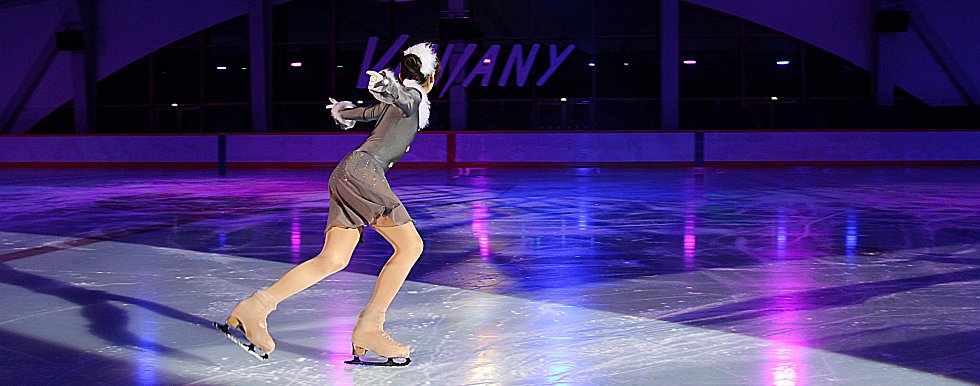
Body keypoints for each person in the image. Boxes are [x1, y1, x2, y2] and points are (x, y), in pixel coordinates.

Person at [216, 42, 438, 366]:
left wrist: (343, 112)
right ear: (429, 79)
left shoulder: (400, 103)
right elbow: (405, 98)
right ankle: (370, 327)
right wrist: (393, 88)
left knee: (332, 259)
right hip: (363, 172)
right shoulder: (415, 98)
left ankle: (256, 306)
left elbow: (365, 112)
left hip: (347, 172)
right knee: (411, 247)